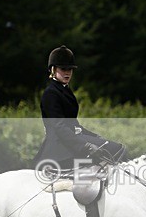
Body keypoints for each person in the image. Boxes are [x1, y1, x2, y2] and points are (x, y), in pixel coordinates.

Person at [34, 45, 126, 175]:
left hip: (70, 141)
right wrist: (86, 146)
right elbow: (60, 127)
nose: (67, 73)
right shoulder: (51, 93)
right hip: (59, 147)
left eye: (70, 69)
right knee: (115, 149)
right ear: (53, 70)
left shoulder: (65, 90)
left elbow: (73, 124)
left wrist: (95, 137)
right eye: (63, 69)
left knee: (116, 148)